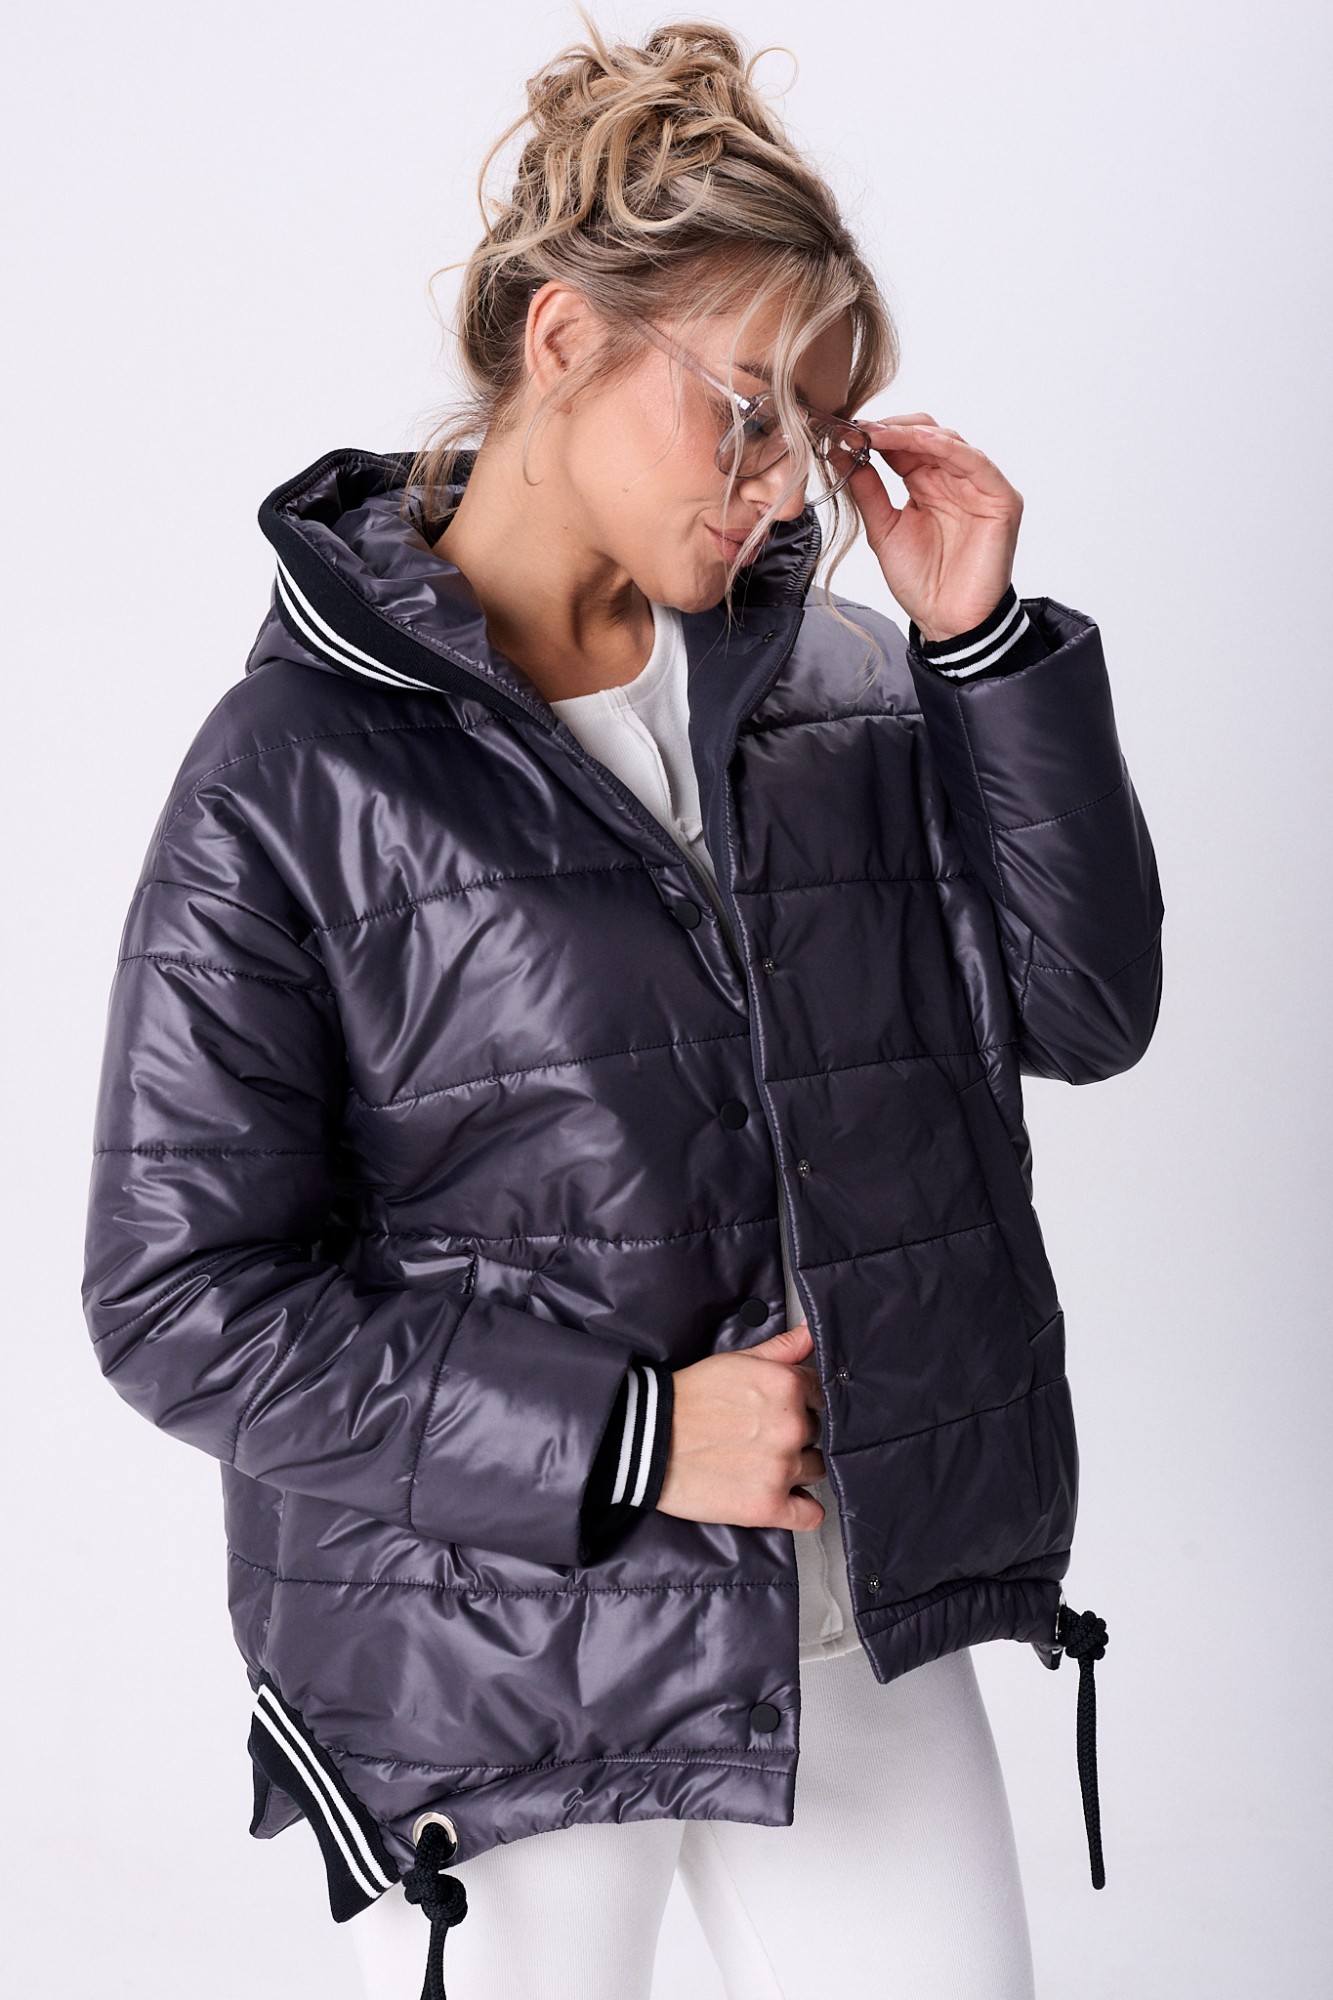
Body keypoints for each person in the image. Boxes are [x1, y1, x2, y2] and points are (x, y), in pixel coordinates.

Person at [81, 16, 1162, 2000]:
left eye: (811, 431)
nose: (778, 487)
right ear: (564, 340)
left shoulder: (841, 691)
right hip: (491, 1659)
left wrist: (981, 648)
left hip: (845, 1624)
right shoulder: (292, 770)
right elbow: (178, 1302)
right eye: (745, 413)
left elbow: (1083, 1012)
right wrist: (637, 1434)